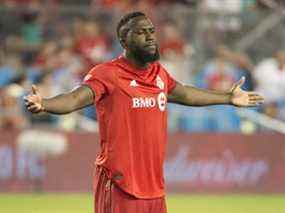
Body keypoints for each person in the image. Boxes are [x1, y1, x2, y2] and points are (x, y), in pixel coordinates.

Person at [24, 11, 264, 213]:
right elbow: (75, 98)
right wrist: (45, 103)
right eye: (141, 32)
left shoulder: (158, 73)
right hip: (120, 185)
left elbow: (185, 94)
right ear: (124, 41)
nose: (150, 37)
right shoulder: (107, 74)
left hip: (154, 188)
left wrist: (228, 98)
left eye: (151, 31)